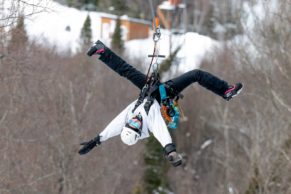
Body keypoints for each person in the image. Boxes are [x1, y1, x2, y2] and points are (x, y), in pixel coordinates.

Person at [78, 40, 243, 167]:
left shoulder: (126, 120)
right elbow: (163, 136)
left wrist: (95, 142)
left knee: (126, 71)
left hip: (147, 90)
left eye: (131, 123)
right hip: (164, 94)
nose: (135, 121)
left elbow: (109, 130)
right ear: (139, 131)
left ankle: (101, 50)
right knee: (196, 74)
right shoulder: (151, 123)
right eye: (136, 125)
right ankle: (225, 92)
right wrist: (171, 153)